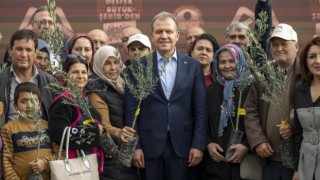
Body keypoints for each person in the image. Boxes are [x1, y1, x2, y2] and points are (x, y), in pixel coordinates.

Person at [125, 12, 208, 180]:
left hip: (184, 146)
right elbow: (131, 109)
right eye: (159, 31)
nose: (164, 36)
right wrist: (135, 146)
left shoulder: (192, 66)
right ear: (152, 36)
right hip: (149, 146)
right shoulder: (138, 67)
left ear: (177, 36)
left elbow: (200, 109)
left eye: (169, 31)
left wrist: (199, 144)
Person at [244, 23, 300, 180]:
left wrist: (293, 127)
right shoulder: (263, 74)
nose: (279, 48)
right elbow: (250, 109)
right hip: (270, 159)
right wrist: (258, 141)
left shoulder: (306, 73)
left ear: (296, 46)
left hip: (299, 158)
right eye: (275, 45)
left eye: (284, 44)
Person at [85, 45, 138, 180]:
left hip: (130, 154)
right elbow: (103, 126)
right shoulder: (96, 90)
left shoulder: (125, 84)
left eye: (116, 62)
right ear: (98, 65)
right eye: (107, 63)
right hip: (111, 159)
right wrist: (119, 132)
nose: (113, 68)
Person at [48, 54, 104, 173]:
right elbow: (57, 133)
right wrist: (93, 132)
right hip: (74, 167)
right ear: (65, 75)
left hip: (89, 164)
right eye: (75, 72)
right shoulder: (62, 102)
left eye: (84, 72)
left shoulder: (85, 99)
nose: (80, 76)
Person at [204, 44, 250, 180]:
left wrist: (246, 146)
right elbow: (201, 122)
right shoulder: (210, 91)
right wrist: (208, 144)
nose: (227, 66)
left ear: (240, 61)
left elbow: (260, 122)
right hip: (216, 164)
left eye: (232, 61)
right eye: (222, 62)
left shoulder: (251, 88)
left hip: (244, 164)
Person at [0, 29, 57, 126]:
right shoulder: (1, 80)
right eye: (19, 49)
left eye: (28, 50)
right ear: (10, 51)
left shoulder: (50, 82)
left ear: (35, 53)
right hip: (8, 138)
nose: (23, 55)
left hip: (43, 139)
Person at [1, 82, 55, 180]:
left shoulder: (48, 126)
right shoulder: (8, 129)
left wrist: (45, 163)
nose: (30, 106)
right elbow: (6, 162)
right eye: (24, 101)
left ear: (39, 105)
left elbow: (60, 154)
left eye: (34, 101)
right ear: (15, 105)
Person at [292, 36, 320, 180]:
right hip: (306, 167)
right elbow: (298, 133)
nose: (318, 61)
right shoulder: (300, 91)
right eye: (312, 56)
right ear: (306, 61)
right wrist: (297, 169)